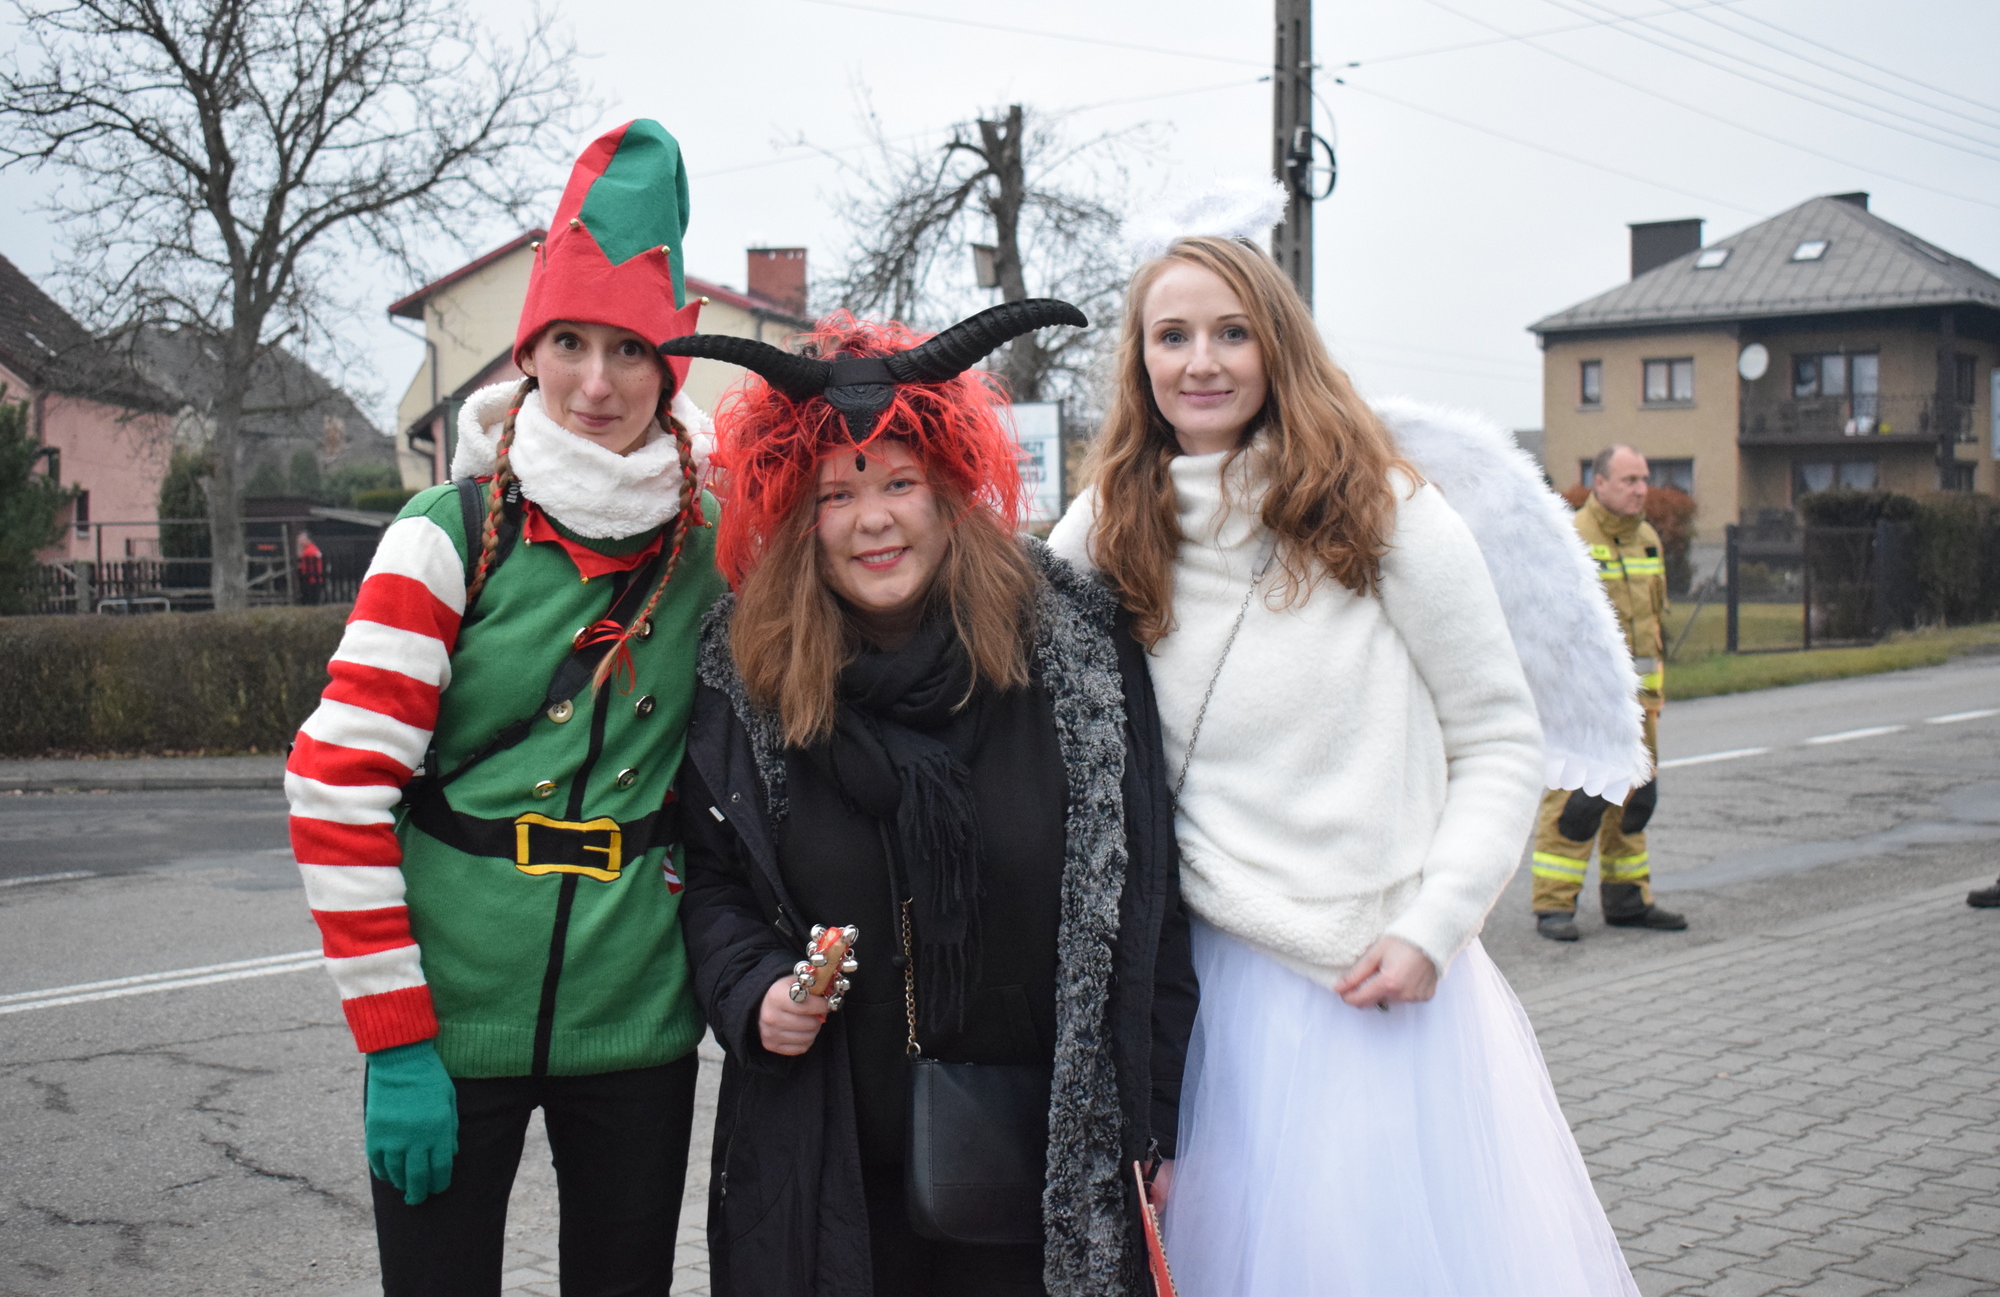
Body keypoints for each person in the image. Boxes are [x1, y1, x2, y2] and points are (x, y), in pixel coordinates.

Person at [1048, 229, 1640, 1294]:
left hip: (1371, 990)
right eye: (1171, 335)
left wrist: (1434, 925)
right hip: (1194, 997)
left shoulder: (1381, 507)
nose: (1202, 362)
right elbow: (1017, 698)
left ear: (1278, 345)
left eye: (1231, 332)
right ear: (1138, 360)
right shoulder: (1102, 526)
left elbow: (1498, 739)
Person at [662, 304, 1198, 1297]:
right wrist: (753, 994)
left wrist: (1152, 1124)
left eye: (899, 481)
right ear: (795, 516)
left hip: (1035, 1169)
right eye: (838, 492)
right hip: (833, 1168)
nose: (874, 518)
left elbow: (1149, 917)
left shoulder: (1069, 657)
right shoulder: (750, 679)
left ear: (949, 492)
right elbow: (712, 882)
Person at [283, 120, 725, 1296]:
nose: (596, 381)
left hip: (637, 1020)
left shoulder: (716, 545)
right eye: (568, 343)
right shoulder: (447, 530)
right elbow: (335, 788)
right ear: (529, 354)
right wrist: (395, 1038)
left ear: (668, 366)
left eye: (631, 348)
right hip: (446, 1020)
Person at [1531, 443, 1688, 941]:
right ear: (1599, 484)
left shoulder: (1646, 539)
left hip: (1641, 705)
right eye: (1629, 480)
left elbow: (1652, 628)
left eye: (1644, 479)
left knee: (1635, 802)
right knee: (1576, 803)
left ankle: (1628, 900)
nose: (1642, 489)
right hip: (1585, 704)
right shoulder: (1570, 538)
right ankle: (1553, 906)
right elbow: (1549, 625)